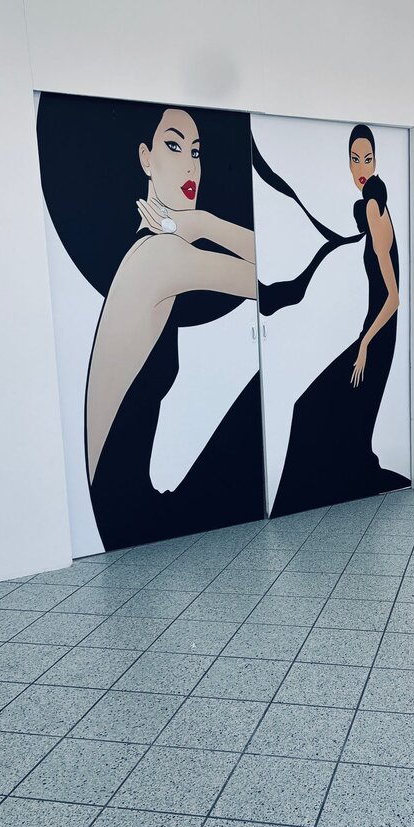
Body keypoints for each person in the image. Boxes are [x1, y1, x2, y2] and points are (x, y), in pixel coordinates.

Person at [86, 107, 265, 549]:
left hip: (122, 512)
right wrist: (203, 223)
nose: (190, 166)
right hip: (131, 517)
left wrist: (195, 224)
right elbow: (276, 281)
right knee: (262, 395)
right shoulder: (160, 255)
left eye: (196, 152)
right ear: (145, 158)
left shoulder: (150, 250)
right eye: (173, 146)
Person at [270, 124, 410, 517]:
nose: (361, 167)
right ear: (348, 163)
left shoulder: (374, 209)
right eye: (355, 159)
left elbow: (394, 298)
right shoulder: (372, 206)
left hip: (377, 336)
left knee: (307, 410)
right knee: (314, 411)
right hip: (373, 332)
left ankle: (304, 502)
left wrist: (364, 344)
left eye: (368, 159)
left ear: (376, 162)